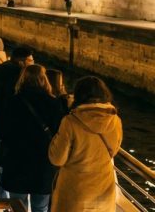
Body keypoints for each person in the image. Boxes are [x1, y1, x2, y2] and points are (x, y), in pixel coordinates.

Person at [49, 76, 123, 212]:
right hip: (104, 189)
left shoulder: (70, 121)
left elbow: (57, 159)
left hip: (75, 190)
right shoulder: (115, 121)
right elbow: (114, 150)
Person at [0, 65, 65, 212]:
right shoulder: (54, 103)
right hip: (43, 164)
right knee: (40, 206)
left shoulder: (13, 101)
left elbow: (3, 130)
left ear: (22, 79)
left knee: (18, 205)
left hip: (17, 163)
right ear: (44, 80)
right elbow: (59, 133)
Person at [0, 46, 34, 198]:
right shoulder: (22, 76)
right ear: (22, 62)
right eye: (30, 60)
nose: (33, 62)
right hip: (16, 126)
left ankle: (2, 200)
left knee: (1, 163)